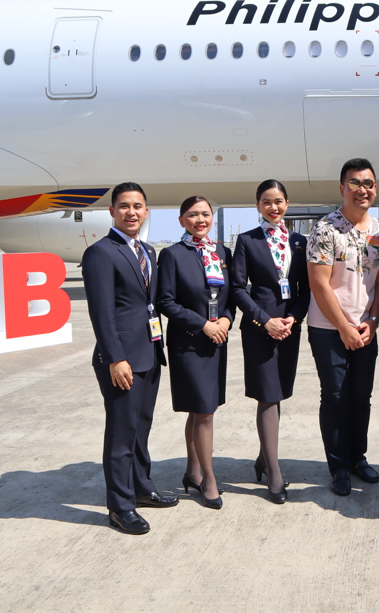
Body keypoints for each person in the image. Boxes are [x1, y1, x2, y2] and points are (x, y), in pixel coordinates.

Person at [82, 182, 177, 535]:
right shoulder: (100, 253)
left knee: (142, 428)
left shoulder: (148, 251)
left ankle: (142, 487)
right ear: (112, 211)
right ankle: (120, 507)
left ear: (147, 211)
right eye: (124, 206)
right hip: (120, 359)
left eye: (138, 206)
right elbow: (101, 314)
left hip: (150, 353)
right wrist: (114, 358)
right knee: (121, 434)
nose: (131, 212)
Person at [306, 158, 379, 496]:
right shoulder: (325, 228)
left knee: (361, 397)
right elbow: (319, 283)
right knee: (336, 397)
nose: (362, 189)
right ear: (342, 188)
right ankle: (338, 466)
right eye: (354, 183)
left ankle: (358, 458)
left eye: (368, 183)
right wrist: (343, 327)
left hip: (365, 328)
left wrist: (372, 320)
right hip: (328, 330)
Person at [230, 179, 310, 505]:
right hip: (260, 328)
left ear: (287, 204)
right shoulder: (247, 241)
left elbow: (306, 289)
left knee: (280, 393)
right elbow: (237, 288)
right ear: (258, 206)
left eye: (278, 201)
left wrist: (294, 318)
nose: (273, 207)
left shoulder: (300, 241)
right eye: (266, 202)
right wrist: (266, 320)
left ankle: (263, 459)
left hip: (289, 327)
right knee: (267, 396)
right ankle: (274, 473)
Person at [155, 196, 233, 510]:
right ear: (181, 220)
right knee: (204, 411)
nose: (200, 219)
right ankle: (209, 479)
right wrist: (203, 325)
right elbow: (166, 302)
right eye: (192, 215)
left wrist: (227, 319)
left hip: (217, 340)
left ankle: (192, 471)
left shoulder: (221, 252)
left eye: (205, 214)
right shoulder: (172, 255)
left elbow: (230, 295)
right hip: (190, 342)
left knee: (200, 409)